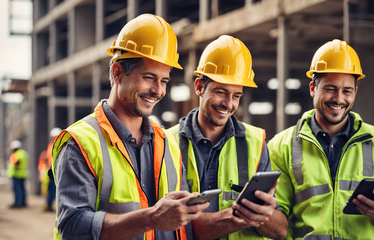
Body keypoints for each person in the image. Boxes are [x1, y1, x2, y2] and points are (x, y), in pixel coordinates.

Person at [51, 14, 208, 240]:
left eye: (164, 81)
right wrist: (151, 218)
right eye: (149, 77)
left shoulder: (168, 143)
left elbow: (183, 228)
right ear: (117, 73)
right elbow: (73, 226)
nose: (158, 90)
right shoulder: (80, 142)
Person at [268, 39, 374, 239]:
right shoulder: (281, 146)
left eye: (347, 90)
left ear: (355, 92)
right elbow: (276, 218)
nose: (339, 99)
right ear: (313, 88)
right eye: (330, 88)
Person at [169, 35, 287, 239]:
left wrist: (264, 215)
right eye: (221, 92)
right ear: (199, 87)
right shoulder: (168, 143)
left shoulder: (256, 143)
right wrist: (241, 215)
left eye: (236, 96)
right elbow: (177, 226)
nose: (229, 104)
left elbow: (280, 231)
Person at [38, 127, 61, 212]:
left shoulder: (60, 144)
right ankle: (49, 204)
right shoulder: (51, 145)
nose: (53, 138)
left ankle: (55, 205)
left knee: (56, 189)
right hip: (52, 170)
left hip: (57, 170)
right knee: (51, 188)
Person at [8, 140, 29, 208]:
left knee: (17, 189)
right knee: (22, 189)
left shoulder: (17, 154)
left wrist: (12, 158)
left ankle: (18, 203)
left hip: (17, 174)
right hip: (22, 174)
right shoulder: (24, 153)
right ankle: (22, 202)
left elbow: (17, 162)